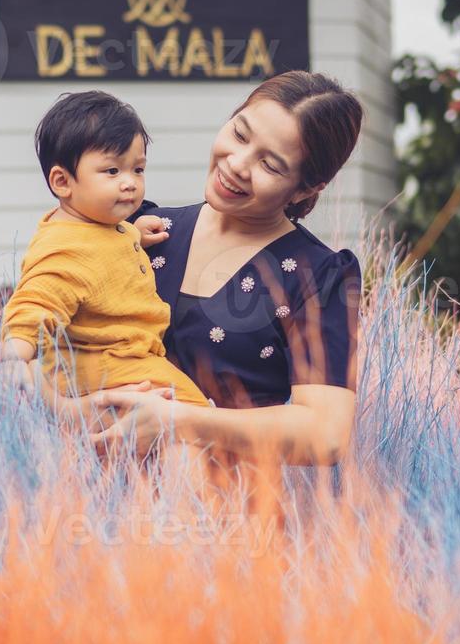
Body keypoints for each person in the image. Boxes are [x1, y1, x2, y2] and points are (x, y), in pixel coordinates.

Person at [87, 70, 364, 470]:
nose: (237, 164)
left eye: (269, 164)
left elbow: (325, 434)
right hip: (85, 495)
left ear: (306, 188)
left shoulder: (315, 276)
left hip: (217, 510)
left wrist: (179, 422)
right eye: (239, 134)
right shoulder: (141, 229)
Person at [0, 91, 211, 412]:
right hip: (110, 364)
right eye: (112, 171)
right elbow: (37, 302)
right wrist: (15, 357)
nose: (129, 183)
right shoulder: (65, 248)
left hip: (124, 359)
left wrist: (133, 237)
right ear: (62, 181)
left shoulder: (101, 227)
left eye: (137, 170)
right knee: (195, 415)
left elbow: (101, 258)